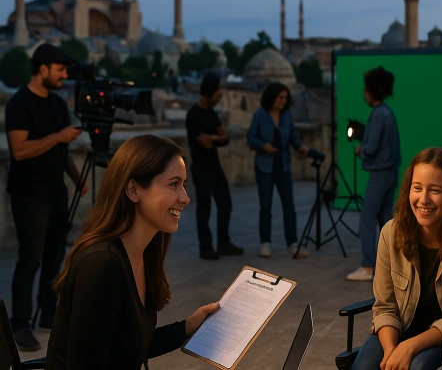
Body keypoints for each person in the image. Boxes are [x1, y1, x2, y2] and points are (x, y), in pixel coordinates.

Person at [45, 135, 220, 369]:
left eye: (184, 185)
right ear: (133, 190)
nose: (185, 198)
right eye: (173, 184)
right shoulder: (101, 264)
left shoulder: (141, 254)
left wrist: (188, 326)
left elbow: (128, 347)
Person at [352, 147, 442, 370]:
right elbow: (385, 307)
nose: (423, 199)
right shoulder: (391, 233)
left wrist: (409, 347)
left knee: (417, 366)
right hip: (399, 330)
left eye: (435, 190)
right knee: (364, 366)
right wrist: (391, 351)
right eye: (417, 188)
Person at [4, 43, 88, 351]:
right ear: (42, 69)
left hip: (56, 191)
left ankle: (48, 314)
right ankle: (20, 323)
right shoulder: (19, 104)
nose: (64, 76)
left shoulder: (57, 104)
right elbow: (19, 150)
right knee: (31, 257)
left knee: (55, 256)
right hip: (29, 194)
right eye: (60, 70)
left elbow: (62, 150)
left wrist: (77, 179)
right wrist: (58, 136)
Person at [347, 66, 401, 281]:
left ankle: (368, 266)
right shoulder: (388, 113)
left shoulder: (378, 114)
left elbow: (372, 148)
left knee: (367, 219)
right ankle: (390, 265)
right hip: (390, 171)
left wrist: (361, 149)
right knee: (386, 220)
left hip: (380, 173)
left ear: (370, 90)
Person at [247, 82, 309, 258]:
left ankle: (293, 243)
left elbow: (293, 137)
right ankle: (265, 243)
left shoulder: (287, 115)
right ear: (272, 97)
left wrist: (300, 147)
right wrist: (263, 146)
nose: (284, 100)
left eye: (286, 98)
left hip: (283, 166)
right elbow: (251, 137)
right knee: (265, 206)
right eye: (281, 97)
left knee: (289, 205)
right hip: (265, 167)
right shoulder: (260, 115)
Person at [185, 73, 243, 260]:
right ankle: (206, 246)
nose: (220, 97)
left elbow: (224, 137)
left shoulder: (211, 113)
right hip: (200, 166)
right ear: (210, 92)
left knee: (225, 202)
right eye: (218, 93)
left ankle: (223, 243)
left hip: (214, 165)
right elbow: (205, 142)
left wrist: (213, 138)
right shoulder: (194, 114)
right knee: (205, 207)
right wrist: (215, 138)